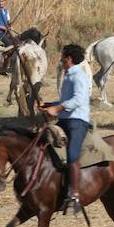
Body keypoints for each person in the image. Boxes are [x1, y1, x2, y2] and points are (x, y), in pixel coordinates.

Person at [38, 43, 90, 215]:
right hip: (64, 119)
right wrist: (48, 105)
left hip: (77, 121)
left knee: (72, 155)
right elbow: (65, 100)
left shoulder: (79, 76)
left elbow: (79, 100)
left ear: (69, 58)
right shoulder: (68, 76)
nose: (60, 58)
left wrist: (57, 109)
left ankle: (74, 196)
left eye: (62, 56)